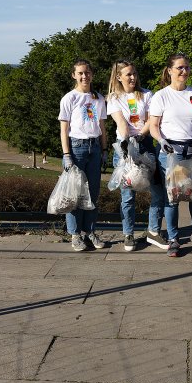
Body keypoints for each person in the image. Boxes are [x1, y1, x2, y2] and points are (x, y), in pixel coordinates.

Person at [149, 53, 192, 257]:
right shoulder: (161, 96)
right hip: (171, 152)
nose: (184, 71)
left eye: (187, 67)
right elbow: (154, 125)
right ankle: (173, 238)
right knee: (173, 197)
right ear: (170, 70)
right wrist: (161, 141)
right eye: (180, 68)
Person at [107, 59, 165, 252]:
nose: (132, 77)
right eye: (128, 74)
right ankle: (128, 234)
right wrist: (126, 142)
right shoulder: (114, 98)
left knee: (157, 191)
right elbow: (121, 122)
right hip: (125, 149)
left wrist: (141, 135)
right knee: (128, 196)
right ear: (119, 77)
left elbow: (151, 119)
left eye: (134, 73)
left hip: (146, 144)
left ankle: (154, 231)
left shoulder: (147, 94)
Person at [58, 59, 108, 252]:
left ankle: (90, 231)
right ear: (74, 75)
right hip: (76, 148)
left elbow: (102, 126)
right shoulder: (69, 98)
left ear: (92, 74)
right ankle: (75, 234)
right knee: (74, 195)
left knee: (92, 193)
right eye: (80, 73)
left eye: (87, 72)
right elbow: (64, 130)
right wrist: (66, 154)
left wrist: (104, 150)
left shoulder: (98, 98)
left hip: (94, 147)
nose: (84, 76)